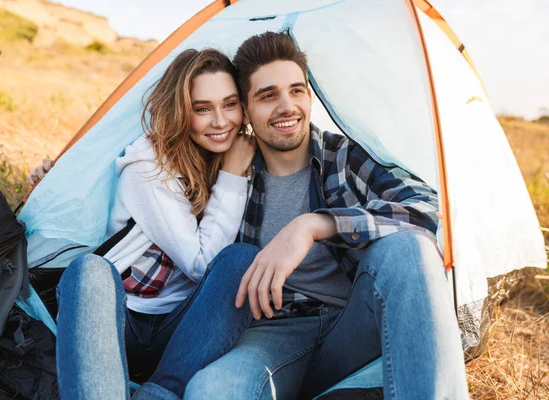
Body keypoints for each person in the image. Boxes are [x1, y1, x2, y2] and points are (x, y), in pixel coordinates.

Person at [135, 32, 469, 400]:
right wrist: (58, 169)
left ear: (309, 97)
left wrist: (315, 224)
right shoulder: (230, 174)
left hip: (354, 324)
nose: (287, 106)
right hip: (273, 332)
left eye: (296, 90)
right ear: (244, 110)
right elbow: (161, 175)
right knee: (209, 390)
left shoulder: (341, 157)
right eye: (268, 96)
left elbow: (425, 208)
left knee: (409, 248)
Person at [29, 48, 258, 399]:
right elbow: (201, 263)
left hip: (182, 330)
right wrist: (231, 176)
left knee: (242, 260)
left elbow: (220, 270)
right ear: (181, 111)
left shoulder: (243, 156)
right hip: (120, 323)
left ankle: (161, 393)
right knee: (88, 270)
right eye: (202, 108)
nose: (220, 121)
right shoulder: (149, 165)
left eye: (229, 104)